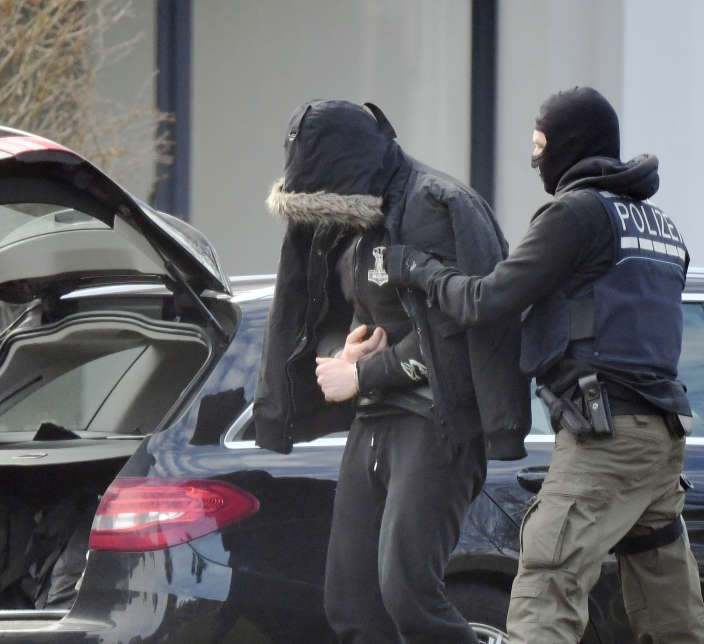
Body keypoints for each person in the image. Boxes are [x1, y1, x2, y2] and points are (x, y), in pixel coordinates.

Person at [386, 86, 704, 643]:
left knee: (545, 590)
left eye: (541, 145)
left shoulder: (576, 214)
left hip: (605, 436)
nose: (536, 160)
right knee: (669, 609)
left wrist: (418, 269)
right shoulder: (661, 228)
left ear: (571, 146)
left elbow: (485, 302)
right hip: (663, 439)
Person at [253, 99, 530, 644]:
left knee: (409, 596)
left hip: (435, 424)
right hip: (373, 422)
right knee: (352, 605)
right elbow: (334, 313)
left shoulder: (436, 206)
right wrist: (343, 352)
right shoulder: (347, 217)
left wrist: (363, 375)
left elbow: (459, 334)